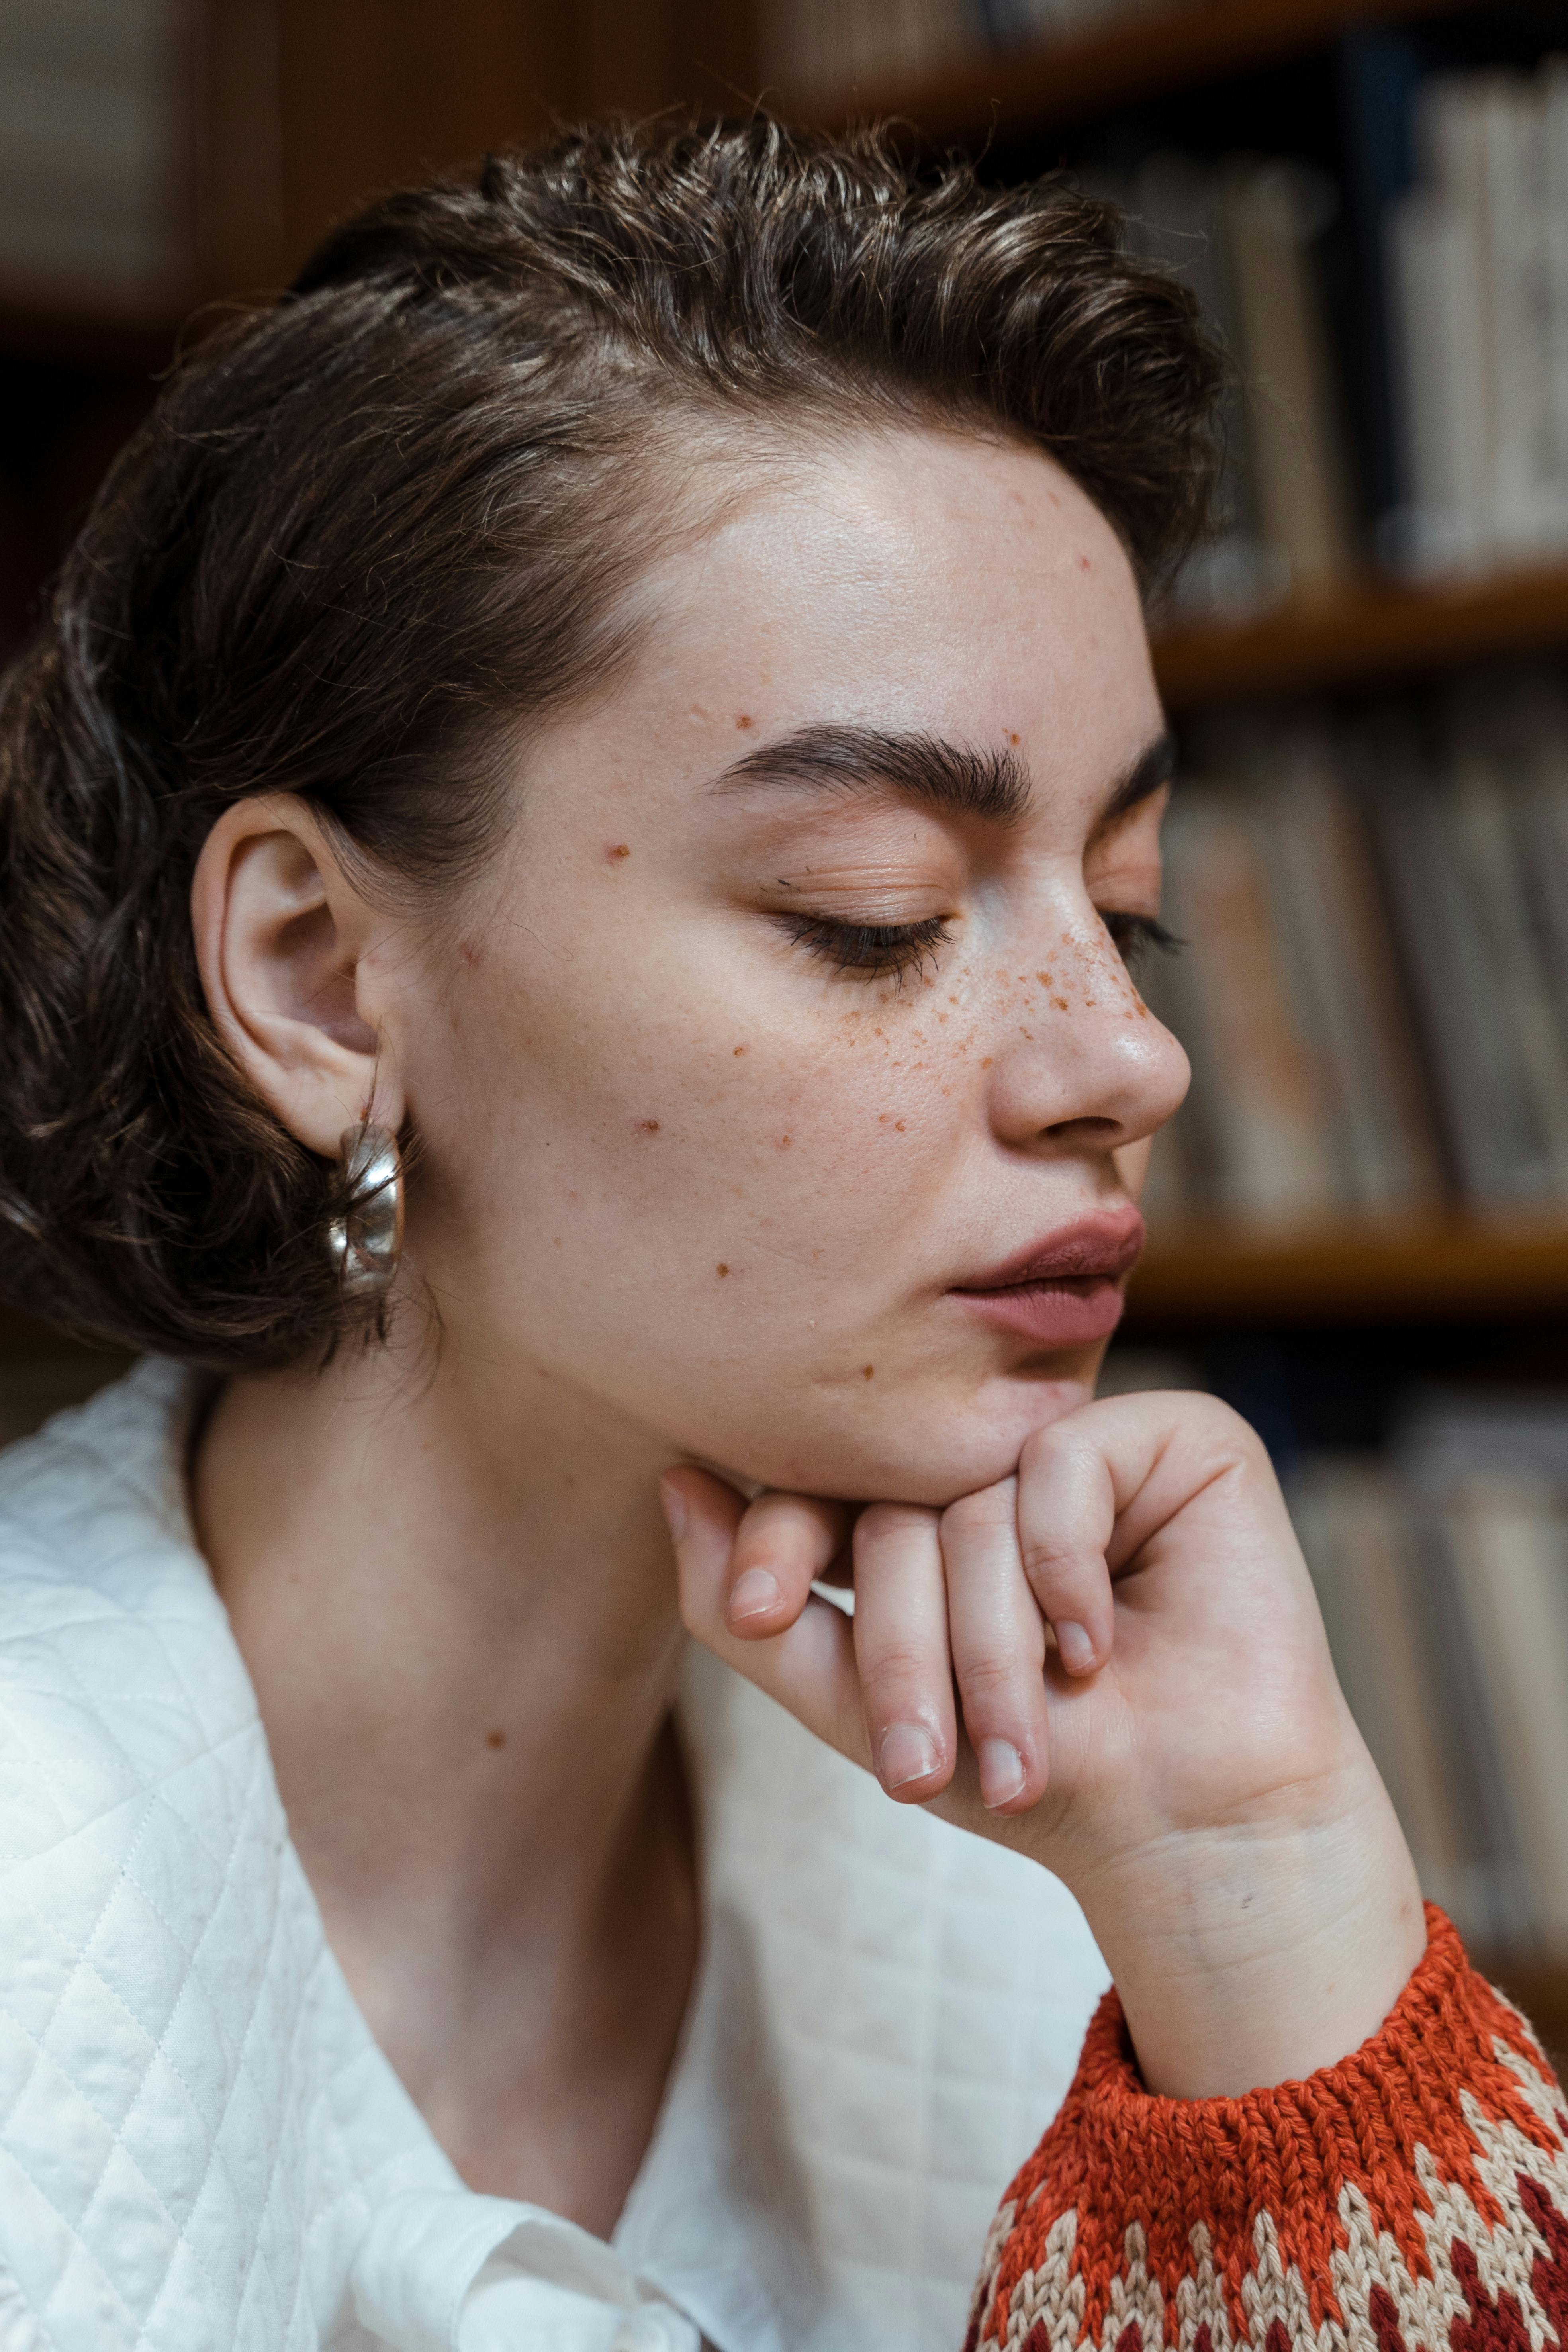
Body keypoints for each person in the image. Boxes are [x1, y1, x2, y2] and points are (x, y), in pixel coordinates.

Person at [0, 116, 1561, 2352]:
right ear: (323, 977)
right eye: (876, 917)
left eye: (1128, 913)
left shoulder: (1035, 1897)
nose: (1123, 1057)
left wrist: (1250, 1893)